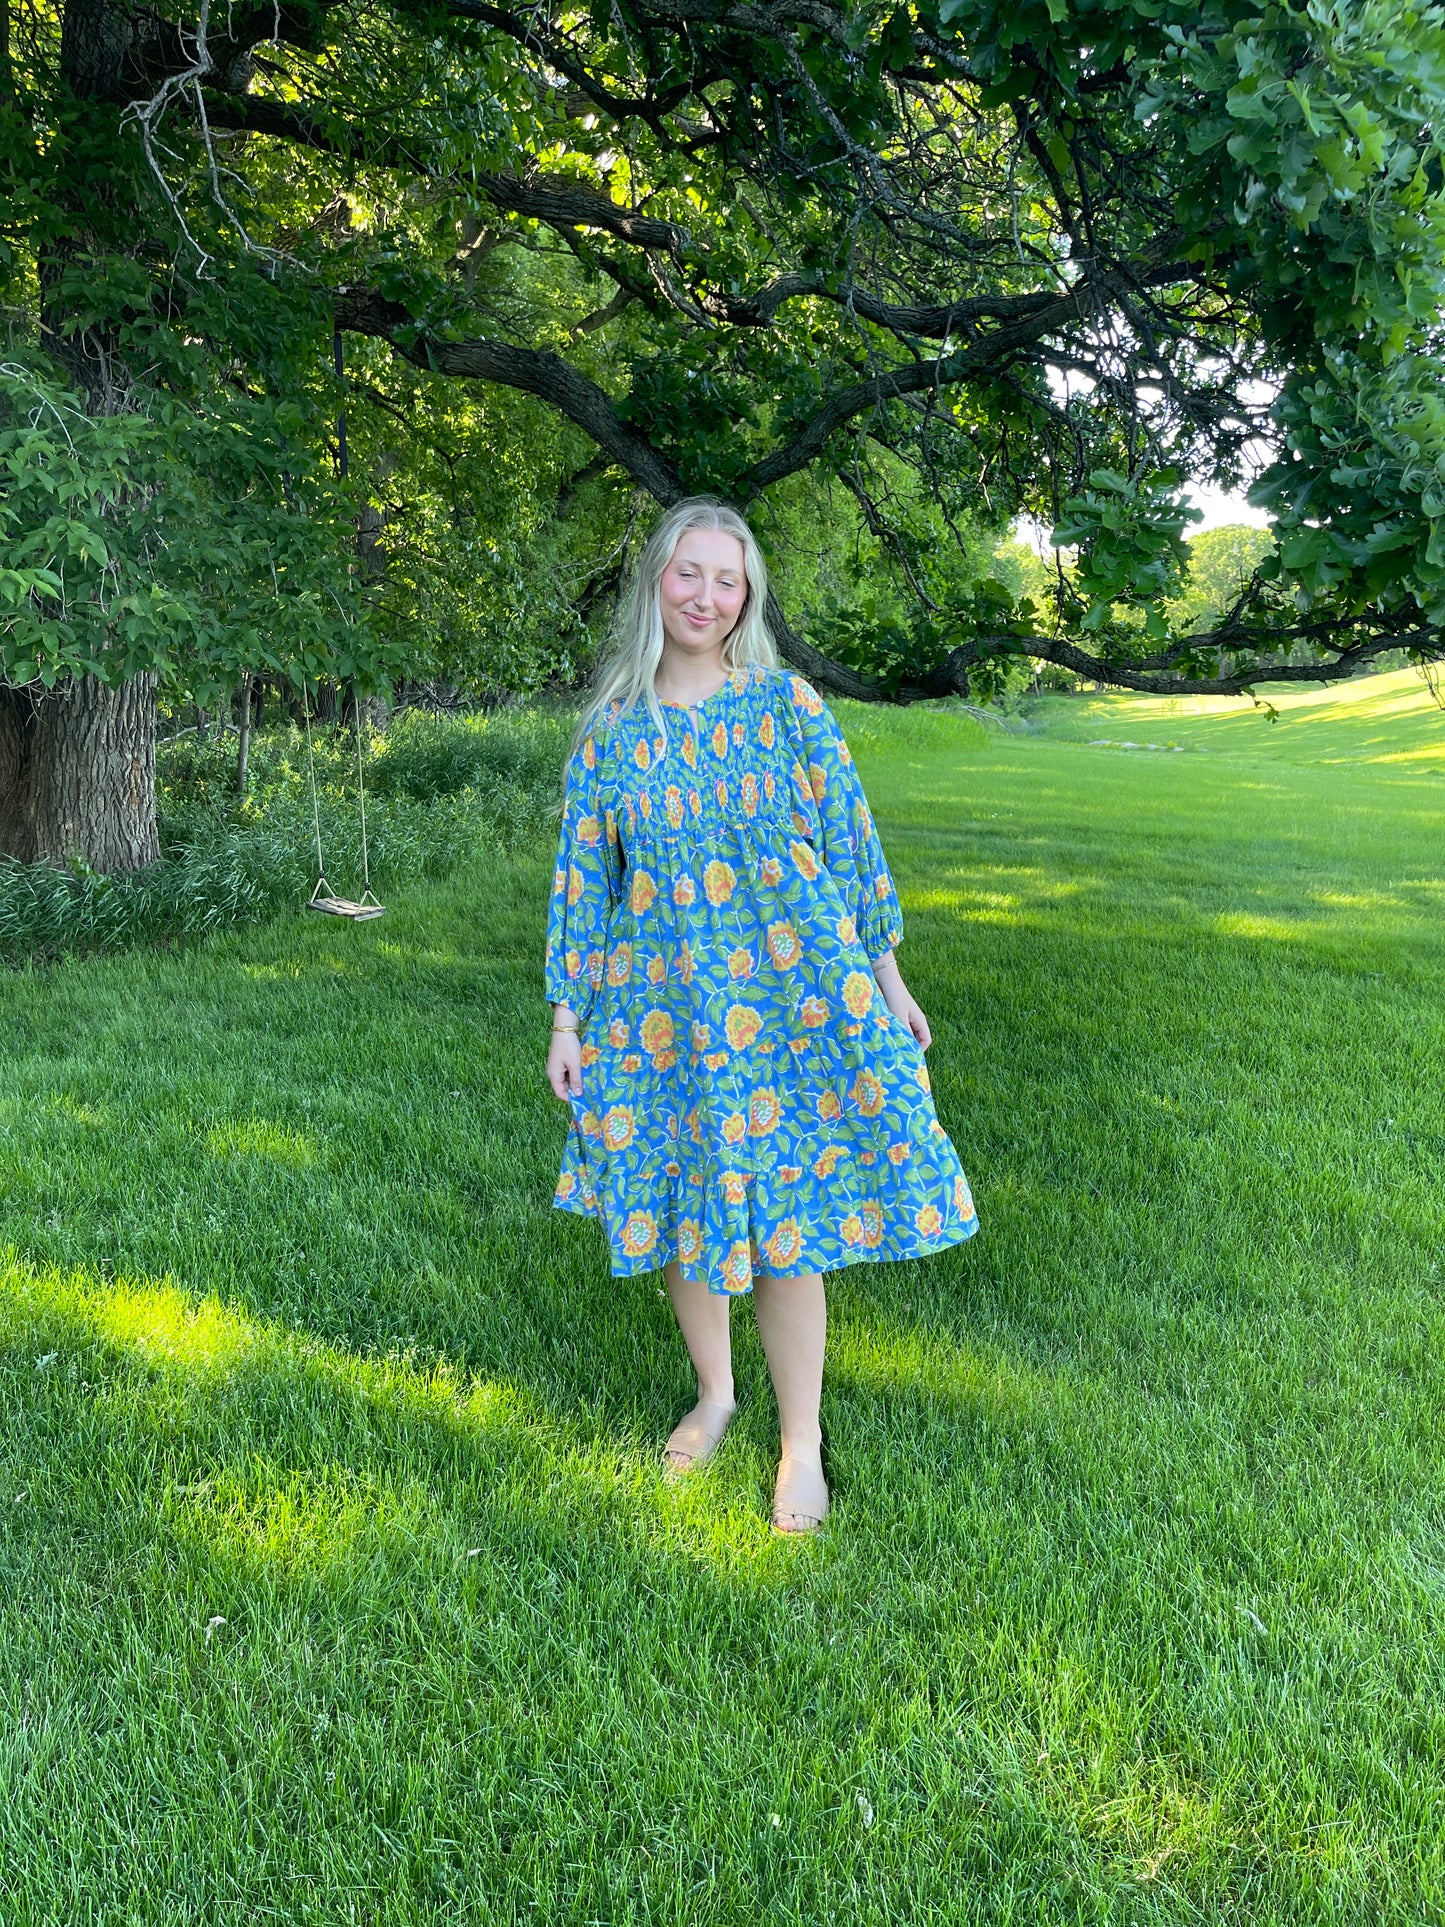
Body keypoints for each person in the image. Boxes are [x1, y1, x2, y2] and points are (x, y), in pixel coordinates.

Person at [544, 499, 978, 1534]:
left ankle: (798, 1440)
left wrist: (889, 977)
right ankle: (715, 1392)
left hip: (790, 1001)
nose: (703, 595)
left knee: (787, 1230)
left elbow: (851, 844)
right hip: (661, 1012)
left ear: (747, 596)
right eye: (687, 573)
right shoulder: (610, 736)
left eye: (725, 579)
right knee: (690, 1217)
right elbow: (579, 886)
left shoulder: (787, 708)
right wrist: (568, 1020)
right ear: (655, 581)